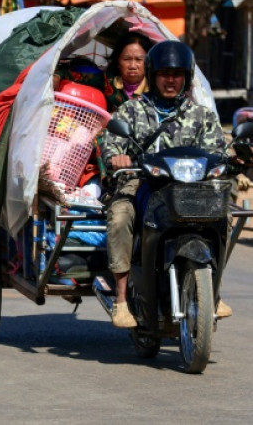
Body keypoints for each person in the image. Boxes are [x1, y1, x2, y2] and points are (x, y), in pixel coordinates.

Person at [103, 40, 230, 328]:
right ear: (153, 75)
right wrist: (117, 157)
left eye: (177, 74)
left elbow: (217, 151)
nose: (170, 80)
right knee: (121, 217)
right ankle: (121, 300)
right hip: (141, 181)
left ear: (186, 77)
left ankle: (215, 290)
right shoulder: (131, 111)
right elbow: (111, 146)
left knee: (225, 214)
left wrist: (225, 162)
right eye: (163, 74)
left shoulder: (202, 115)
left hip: (189, 188)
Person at [104, 32, 153, 112]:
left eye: (139, 59)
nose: (132, 66)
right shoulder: (106, 84)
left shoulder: (155, 90)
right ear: (118, 61)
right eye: (127, 59)